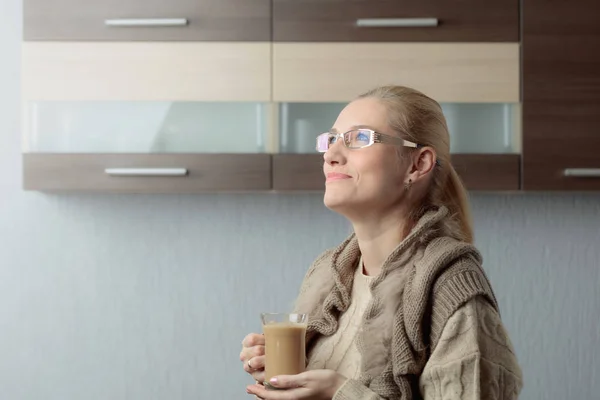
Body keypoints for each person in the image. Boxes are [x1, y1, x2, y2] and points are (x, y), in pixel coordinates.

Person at [240, 85, 523, 399]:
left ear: (418, 164)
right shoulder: (327, 276)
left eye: (359, 139)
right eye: (331, 139)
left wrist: (340, 393)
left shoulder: (451, 286)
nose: (331, 155)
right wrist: (290, 380)